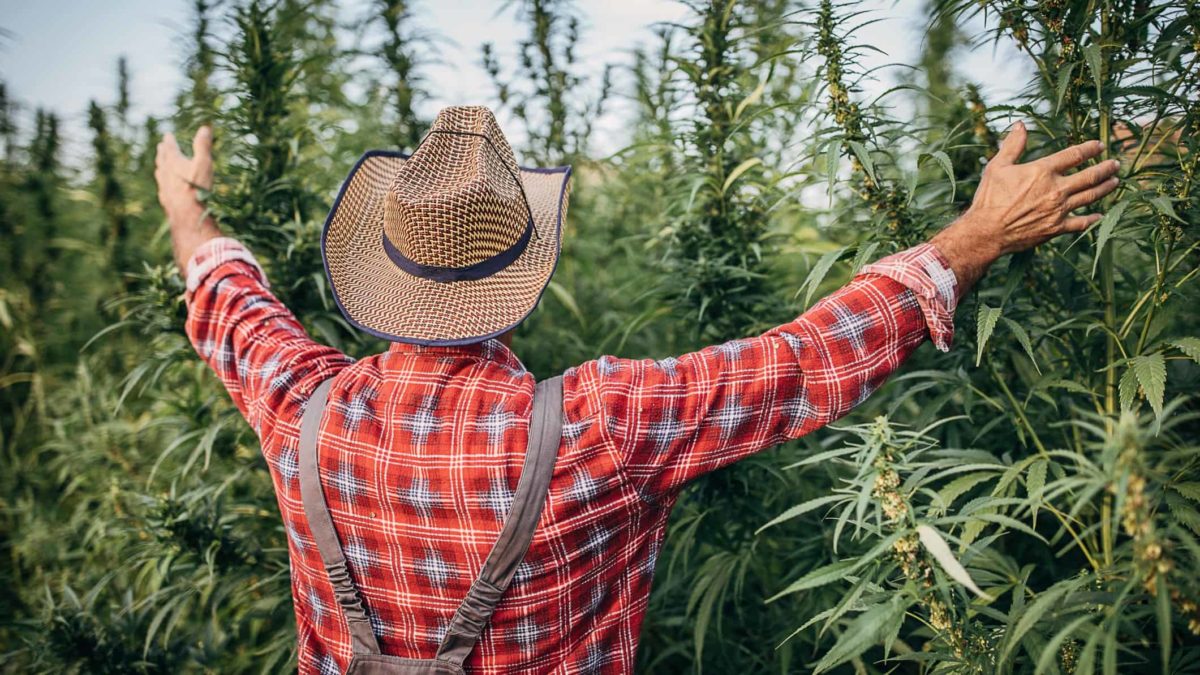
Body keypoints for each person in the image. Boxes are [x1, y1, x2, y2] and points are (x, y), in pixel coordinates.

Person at [155, 105, 1120, 673]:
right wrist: (979, 236)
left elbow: (225, 293)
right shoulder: (596, 425)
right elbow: (804, 360)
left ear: (386, 268)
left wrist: (182, 201)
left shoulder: (297, 400)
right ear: (521, 274)